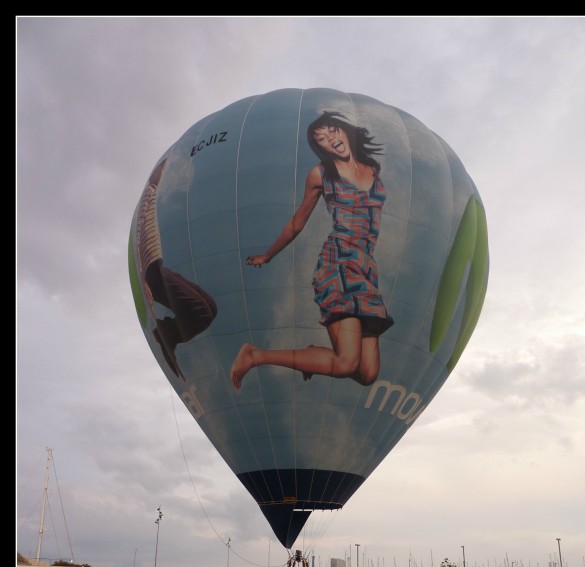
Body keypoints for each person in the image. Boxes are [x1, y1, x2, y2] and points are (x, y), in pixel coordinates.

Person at [230, 111, 393, 390]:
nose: (330, 138)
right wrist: (268, 255)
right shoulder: (321, 173)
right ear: (321, 147)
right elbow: (298, 221)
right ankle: (256, 355)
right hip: (339, 264)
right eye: (321, 138)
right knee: (344, 363)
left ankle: (310, 356)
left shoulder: (373, 168)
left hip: (366, 267)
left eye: (332, 131)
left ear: (344, 131)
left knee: (367, 374)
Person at [135, 158, 217, 381]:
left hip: (157, 266)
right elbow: (139, 238)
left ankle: (169, 331)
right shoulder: (147, 202)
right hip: (151, 271)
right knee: (201, 311)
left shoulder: (151, 198)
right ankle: (167, 335)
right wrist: (143, 278)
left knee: (210, 306)